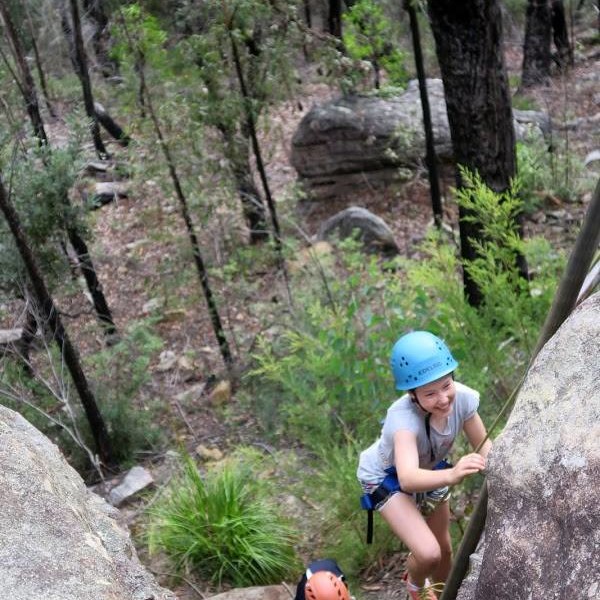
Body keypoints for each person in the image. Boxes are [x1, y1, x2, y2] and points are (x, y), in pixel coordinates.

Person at [357, 331, 492, 600]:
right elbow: (407, 478)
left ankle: (446, 596)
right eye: (430, 393)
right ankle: (415, 585)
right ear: (413, 395)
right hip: (387, 477)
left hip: (430, 469)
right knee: (428, 553)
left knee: (444, 550)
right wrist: (453, 474)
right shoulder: (403, 420)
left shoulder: (462, 399)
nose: (442, 399)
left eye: (446, 385)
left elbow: (487, 450)